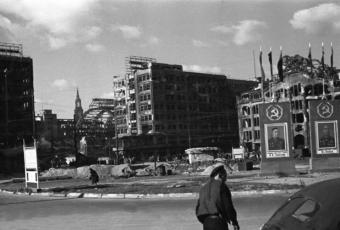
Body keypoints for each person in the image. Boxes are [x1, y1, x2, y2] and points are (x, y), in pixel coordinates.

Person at [196, 165, 240, 230]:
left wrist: (205, 221)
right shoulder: (221, 186)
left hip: (206, 223)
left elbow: (198, 208)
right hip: (219, 222)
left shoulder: (203, 188)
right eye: (225, 176)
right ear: (219, 175)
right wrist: (234, 222)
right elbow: (228, 206)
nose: (226, 179)